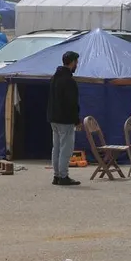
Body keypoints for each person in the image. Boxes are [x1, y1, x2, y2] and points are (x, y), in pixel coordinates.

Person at [48, 50, 81, 186]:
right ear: (72, 62)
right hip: (65, 119)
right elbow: (71, 103)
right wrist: (77, 120)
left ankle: (56, 175)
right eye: (76, 62)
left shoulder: (54, 78)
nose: (77, 65)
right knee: (66, 149)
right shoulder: (69, 81)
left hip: (53, 118)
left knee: (56, 148)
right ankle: (63, 176)